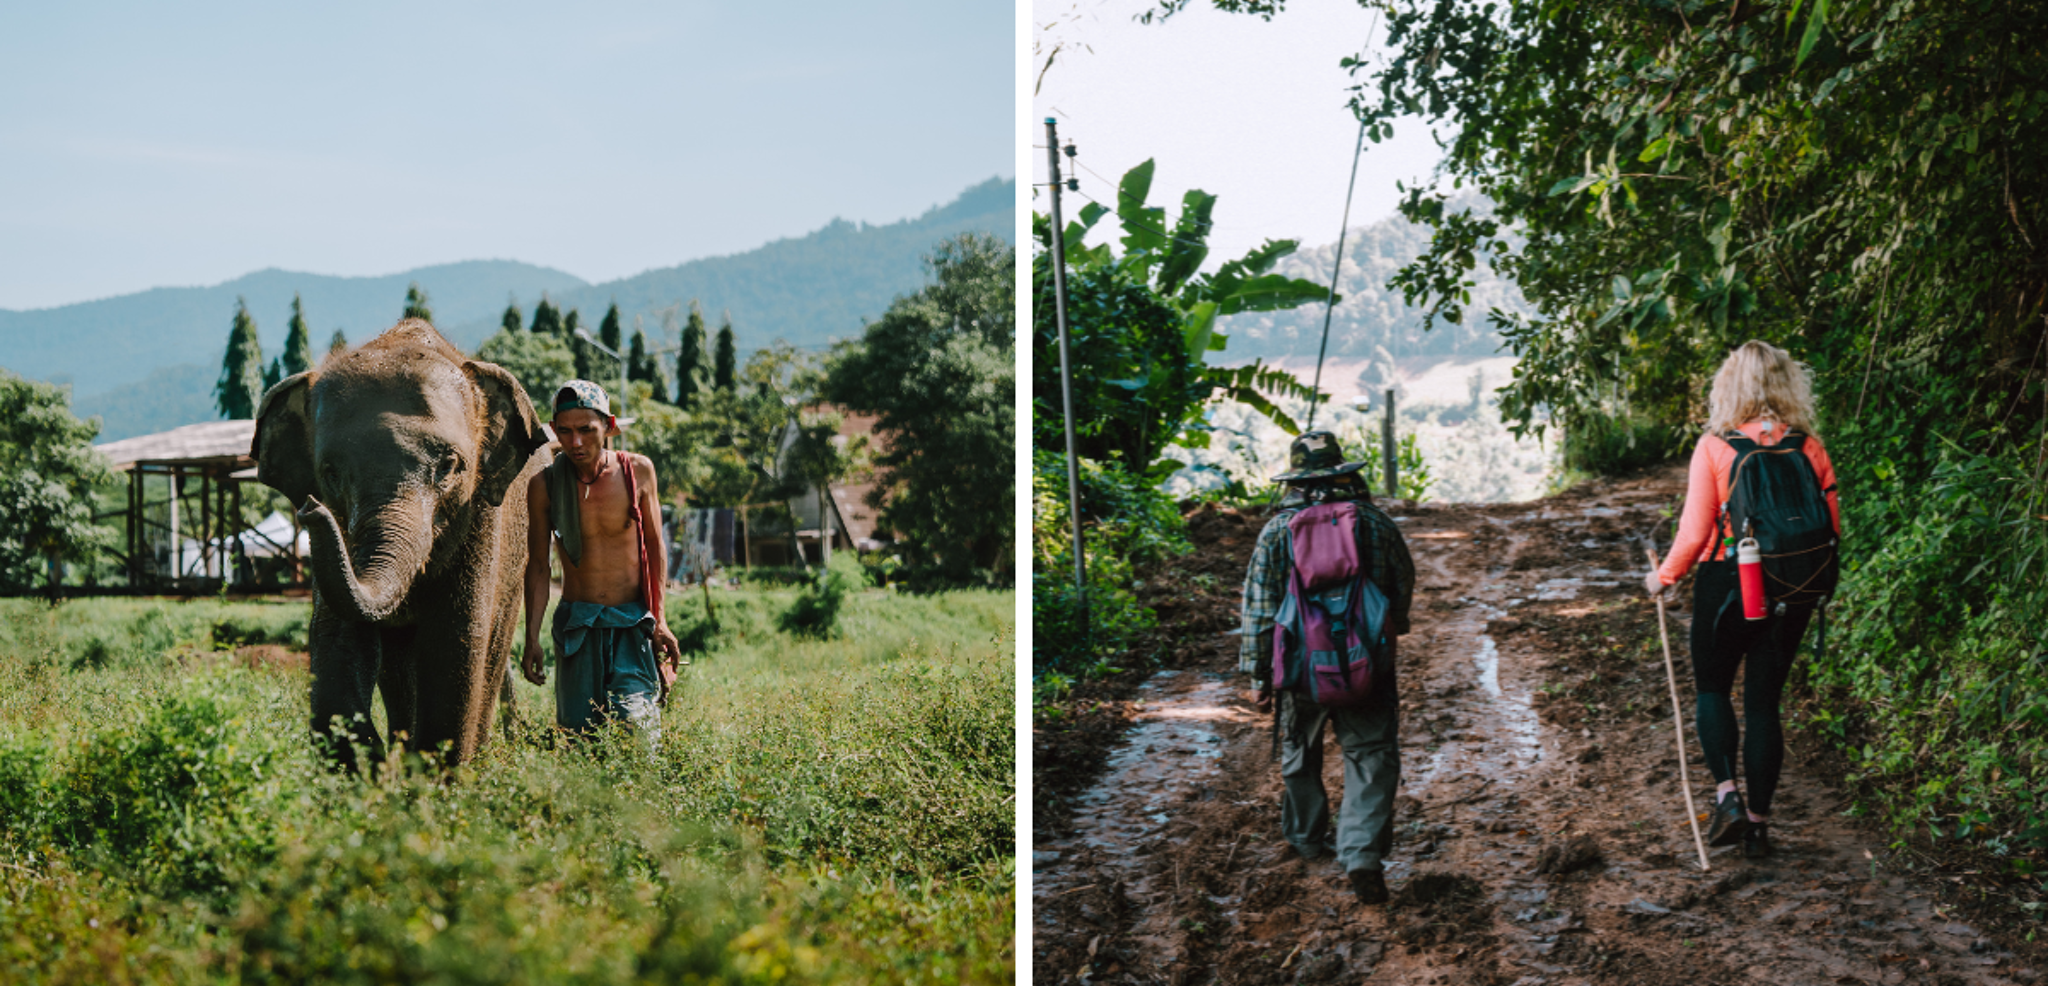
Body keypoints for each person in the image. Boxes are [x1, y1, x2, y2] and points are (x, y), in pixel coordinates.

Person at [1645, 340, 1841, 858]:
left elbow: (1694, 534)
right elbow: (1832, 530)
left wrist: (1663, 578)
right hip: (1795, 588)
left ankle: (1728, 797)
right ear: (1788, 383)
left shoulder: (1716, 447)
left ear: (1728, 387)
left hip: (1729, 583)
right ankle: (1758, 826)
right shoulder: (1809, 447)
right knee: (1763, 704)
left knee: (1713, 688)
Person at [1239, 430, 1415, 905]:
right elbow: (1402, 581)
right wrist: (1392, 628)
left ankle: (1306, 839)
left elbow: (1259, 609)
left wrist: (1259, 675)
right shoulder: (1374, 523)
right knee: (1371, 753)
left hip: (1300, 665)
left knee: (1300, 748)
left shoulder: (1277, 531)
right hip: (1366, 662)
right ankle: (1361, 853)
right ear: (1341, 470)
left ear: (1295, 477)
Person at [522, 380, 682, 749]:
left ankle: (642, 789)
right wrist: (531, 638)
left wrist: (660, 620)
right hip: (578, 626)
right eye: (564, 431)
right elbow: (539, 566)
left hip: (632, 623)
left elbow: (655, 547)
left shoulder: (637, 471)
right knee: (580, 739)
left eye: (586, 429)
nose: (575, 442)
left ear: (609, 427)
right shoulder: (545, 485)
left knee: (637, 733)